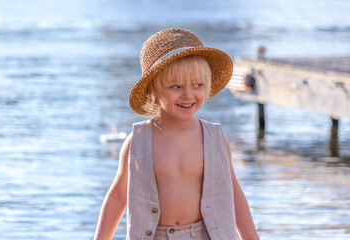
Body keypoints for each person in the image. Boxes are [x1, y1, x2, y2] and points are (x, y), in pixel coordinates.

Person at [93, 28, 260, 240]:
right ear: (153, 89)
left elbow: (234, 193)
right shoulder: (138, 140)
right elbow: (117, 197)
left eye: (198, 84)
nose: (188, 95)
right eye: (176, 86)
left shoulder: (214, 137)